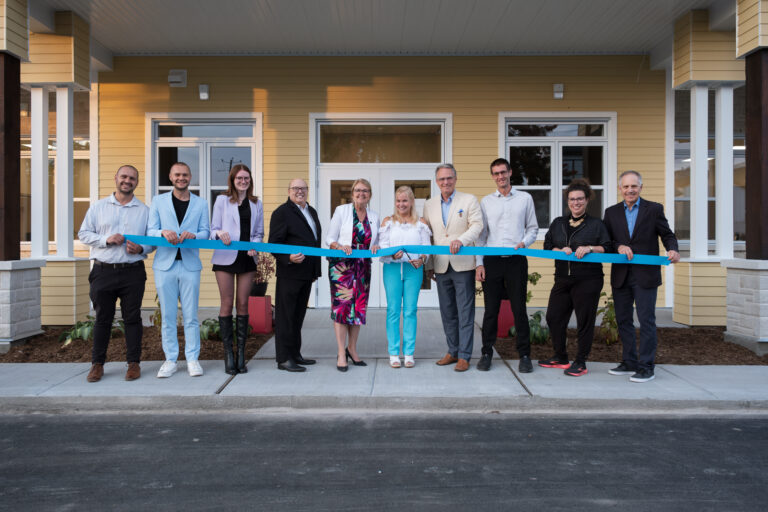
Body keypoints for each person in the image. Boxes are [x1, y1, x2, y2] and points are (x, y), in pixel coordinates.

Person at [78, 165, 155, 382]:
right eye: (124, 177)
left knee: (133, 318)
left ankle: (133, 363)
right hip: (103, 271)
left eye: (132, 178)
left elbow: (152, 242)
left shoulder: (144, 211)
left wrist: (141, 248)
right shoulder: (98, 207)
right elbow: (83, 234)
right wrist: (106, 239)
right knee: (103, 319)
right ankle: (97, 365)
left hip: (133, 272)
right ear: (116, 178)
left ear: (136, 182)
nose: (127, 181)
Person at [603, 170, 680, 383]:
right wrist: (619, 246)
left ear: (640, 188)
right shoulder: (611, 213)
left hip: (645, 275)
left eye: (634, 186)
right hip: (621, 275)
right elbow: (606, 242)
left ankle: (646, 366)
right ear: (620, 189)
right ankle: (629, 362)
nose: (630, 190)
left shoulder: (653, 209)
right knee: (623, 320)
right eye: (626, 187)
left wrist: (672, 249)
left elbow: (667, 234)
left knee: (646, 320)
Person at [540, 179, 611, 377]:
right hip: (563, 278)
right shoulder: (558, 223)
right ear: (567, 201)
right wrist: (559, 250)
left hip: (588, 279)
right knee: (554, 317)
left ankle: (580, 362)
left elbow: (608, 247)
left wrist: (590, 248)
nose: (576, 202)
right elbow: (547, 246)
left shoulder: (596, 224)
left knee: (584, 321)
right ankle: (560, 357)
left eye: (580, 199)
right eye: (572, 199)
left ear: (587, 200)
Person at [475, 158, 539, 373]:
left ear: (510, 172)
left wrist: (524, 243)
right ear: (492, 176)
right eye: (496, 173)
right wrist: (479, 264)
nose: (500, 176)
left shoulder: (525, 199)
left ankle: (525, 356)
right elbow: (481, 236)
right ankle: (486, 353)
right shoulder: (486, 202)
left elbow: (533, 228)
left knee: (519, 309)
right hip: (492, 261)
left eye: (503, 172)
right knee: (490, 311)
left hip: (516, 260)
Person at [148, 162, 211, 378]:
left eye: (185, 174)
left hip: (190, 264)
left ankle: (192, 359)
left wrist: (195, 235)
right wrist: (162, 232)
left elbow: (206, 232)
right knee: (168, 315)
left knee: (191, 315)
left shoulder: (201, 203)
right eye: (177, 174)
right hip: (164, 265)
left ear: (190, 177)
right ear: (170, 176)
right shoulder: (158, 201)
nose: (181, 178)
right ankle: (170, 360)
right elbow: (150, 230)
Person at [422, 164, 483, 372]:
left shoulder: (469, 200)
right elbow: (429, 236)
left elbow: (477, 225)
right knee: (447, 312)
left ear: (455, 179)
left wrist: (461, 240)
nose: (445, 182)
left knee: (465, 312)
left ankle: (465, 355)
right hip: (441, 265)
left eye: (449, 178)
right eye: (442, 179)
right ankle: (453, 351)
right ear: (436, 182)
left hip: (463, 264)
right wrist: (430, 265)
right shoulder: (429, 205)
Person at [210, 164, 264, 375]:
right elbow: (213, 229)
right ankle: (228, 355)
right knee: (226, 303)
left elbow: (259, 233)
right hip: (225, 257)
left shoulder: (256, 203)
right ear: (232, 180)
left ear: (250, 180)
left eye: (246, 178)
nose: (243, 181)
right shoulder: (222, 200)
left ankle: (241, 354)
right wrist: (220, 233)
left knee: (243, 303)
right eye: (239, 178)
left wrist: (255, 245)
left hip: (247, 258)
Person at [268, 178, 322, 372]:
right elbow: (273, 243)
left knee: (298, 316)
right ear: (289, 190)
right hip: (290, 273)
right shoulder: (281, 213)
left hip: (307, 273)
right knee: (286, 317)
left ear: (307, 190)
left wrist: (315, 270)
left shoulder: (311, 211)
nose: (300, 191)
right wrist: (288, 257)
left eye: (303, 188)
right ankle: (284, 359)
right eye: (296, 188)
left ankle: (295, 354)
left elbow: (314, 242)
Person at [326, 178, 379, 372]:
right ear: (352, 193)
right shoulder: (342, 211)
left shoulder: (374, 216)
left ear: (370, 195)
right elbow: (330, 239)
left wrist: (376, 245)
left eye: (365, 190)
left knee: (358, 309)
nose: (361, 193)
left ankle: (352, 349)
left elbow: (376, 240)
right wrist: (340, 246)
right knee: (342, 308)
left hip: (363, 267)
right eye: (358, 190)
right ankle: (341, 352)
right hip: (342, 267)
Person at [379, 186, 431, 368]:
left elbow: (426, 247)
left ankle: (409, 353)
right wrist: (392, 255)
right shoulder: (388, 222)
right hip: (392, 269)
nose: (401, 204)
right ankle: (393, 353)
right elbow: (382, 248)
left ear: (411, 202)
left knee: (410, 311)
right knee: (393, 310)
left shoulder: (421, 222)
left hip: (413, 270)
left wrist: (422, 259)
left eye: (405, 201)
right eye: (398, 201)